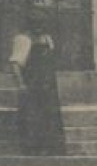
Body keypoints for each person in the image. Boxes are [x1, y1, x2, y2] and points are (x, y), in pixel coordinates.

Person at [9, 24, 66, 156]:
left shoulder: (48, 39)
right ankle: (33, 150)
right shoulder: (23, 40)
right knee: (32, 116)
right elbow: (16, 65)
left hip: (48, 87)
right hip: (32, 85)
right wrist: (21, 84)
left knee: (49, 117)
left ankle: (51, 149)